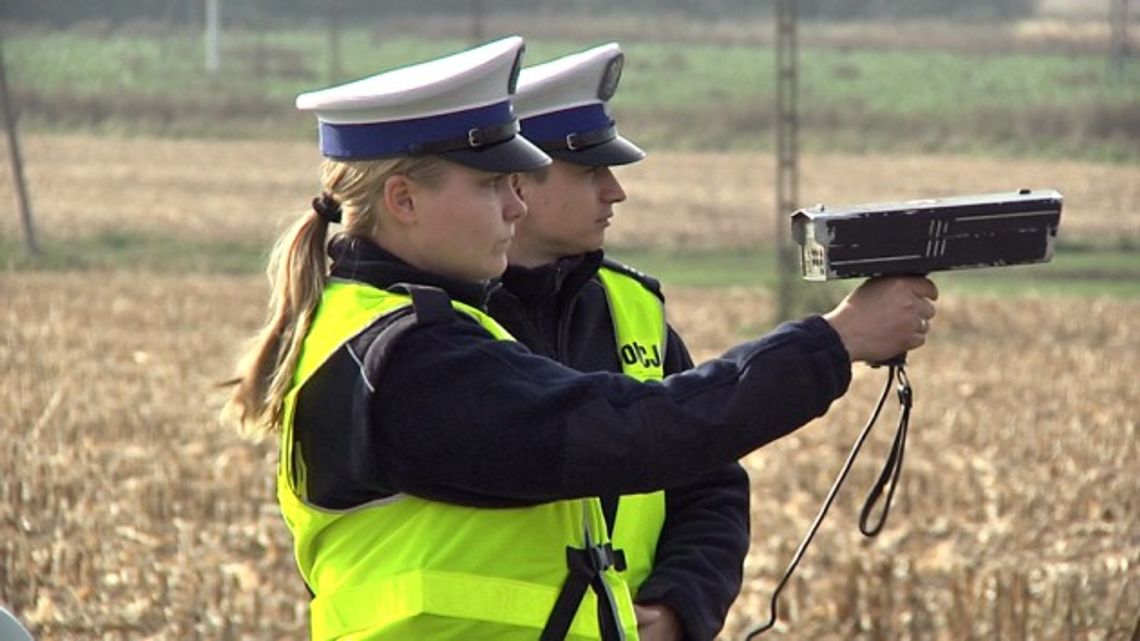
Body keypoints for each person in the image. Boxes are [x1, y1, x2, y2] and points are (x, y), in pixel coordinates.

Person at [223, 35, 939, 641]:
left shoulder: (404, 328)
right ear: (402, 200)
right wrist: (834, 340)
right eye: (489, 186)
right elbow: (629, 432)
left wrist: (682, 599)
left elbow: (686, 470)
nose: (514, 201)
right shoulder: (406, 356)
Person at [486, 43, 744, 641]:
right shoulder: (436, 322)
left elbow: (711, 482)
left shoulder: (634, 309)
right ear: (519, 179)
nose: (615, 191)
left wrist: (682, 603)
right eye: (591, 171)